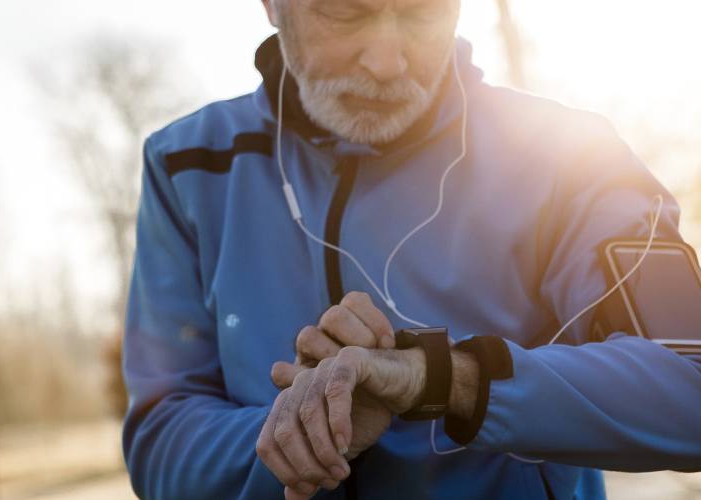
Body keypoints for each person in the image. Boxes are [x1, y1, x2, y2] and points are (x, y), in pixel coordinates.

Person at [121, 0, 701, 498]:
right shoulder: (186, 167)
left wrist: (445, 381)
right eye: (346, 13)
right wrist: (308, 432)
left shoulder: (570, 155)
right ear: (272, 6)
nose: (388, 62)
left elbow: (690, 385)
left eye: (423, 12)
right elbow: (160, 441)